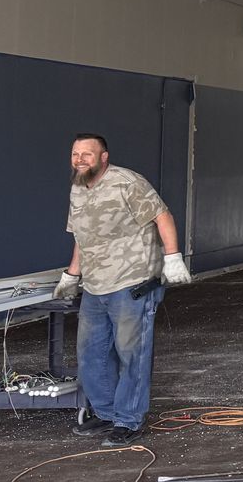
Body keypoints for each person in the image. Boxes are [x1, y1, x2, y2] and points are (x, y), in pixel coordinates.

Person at [52, 133, 191, 445]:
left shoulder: (127, 182)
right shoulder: (77, 188)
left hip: (133, 281)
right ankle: (107, 414)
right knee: (91, 354)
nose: (80, 160)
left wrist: (173, 258)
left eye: (87, 154)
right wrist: (71, 276)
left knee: (132, 354)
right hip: (96, 285)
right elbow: (82, 238)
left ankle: (129, 421)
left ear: (104, 157)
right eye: (75, 154)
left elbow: (162, 216)